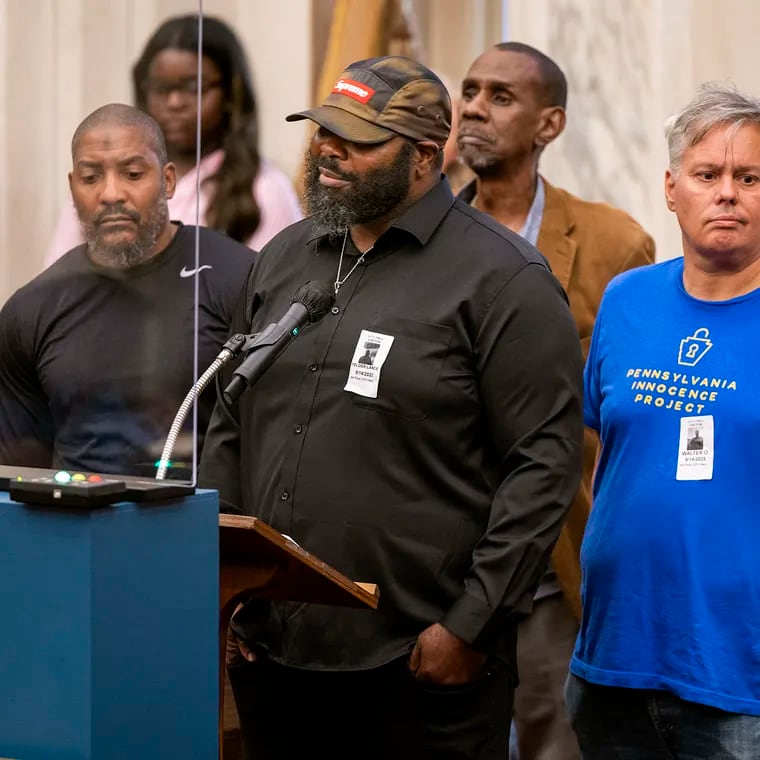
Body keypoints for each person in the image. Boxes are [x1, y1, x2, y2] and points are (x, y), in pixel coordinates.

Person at [199, 55, 584, 759]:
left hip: (416, 665)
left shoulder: (504, 281)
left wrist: (469, 626)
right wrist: (216, 588)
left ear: (423, 157)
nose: (329, 152)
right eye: (323, 133)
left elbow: (542, 469)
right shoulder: (286, 256)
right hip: (273, 652)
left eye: (357, 140)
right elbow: (230, 419)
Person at [455, 41, 655, 760]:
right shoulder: (426, 239)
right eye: (470, 90)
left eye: (501, 97)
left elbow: (631, 416)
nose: (475, 107)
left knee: (552, 741)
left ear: (550, 124)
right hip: (438, 566)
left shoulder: (612, 244)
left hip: (550, 559)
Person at [566, 82, 760, 758]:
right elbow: (602, 454)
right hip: (615, 657)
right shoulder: (627, 299)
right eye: (708, 175)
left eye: (749, 177)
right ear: (673, 189)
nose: (728, 192)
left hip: (740, 679)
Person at [0, 103, 254, 475]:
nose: (111, 194)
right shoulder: (31, 310)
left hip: (205, 523)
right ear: (73, 188)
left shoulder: (237, 277)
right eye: (91, 178)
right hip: (77, 526)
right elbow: (18, 472)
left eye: (133, 174)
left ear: (168, 181)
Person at [44, 14, 302, 267]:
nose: (175, 103)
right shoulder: (103, 182)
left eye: (193, 88)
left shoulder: (265, 189)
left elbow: (273, 296)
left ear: (230, 95)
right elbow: (58, 284)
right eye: (161, 88)